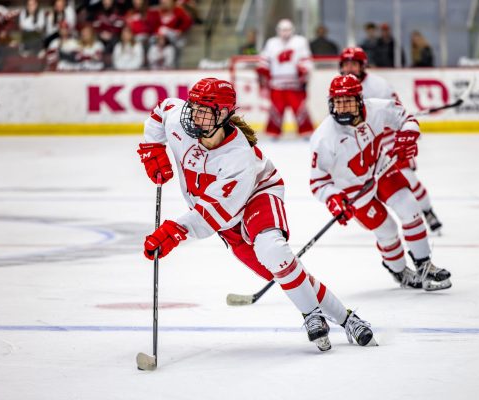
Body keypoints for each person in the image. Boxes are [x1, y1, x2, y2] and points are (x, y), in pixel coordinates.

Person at [137, 77, 376, 351]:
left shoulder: (238, 156)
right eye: (193, 107)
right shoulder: (180, 120)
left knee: (273, 251)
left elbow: (214, 214)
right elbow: (161, 111)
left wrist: (175, 231)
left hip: (257, 195)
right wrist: (152, 148)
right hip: (224, 219)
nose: (194, 115)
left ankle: (311, 315)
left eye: (205, 110)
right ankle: (348, 320)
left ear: (224, 114)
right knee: (286, 271)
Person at [309, 74, 452, 291]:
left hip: (382, 168)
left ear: (359, 100)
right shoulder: (324, 138)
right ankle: (399, 271)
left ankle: (424, 265)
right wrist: (333, 200)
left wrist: (408, 135)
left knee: (410, 208)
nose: (343, 108)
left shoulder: (376, 108)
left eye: (348, 101)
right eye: (338, 102)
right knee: (387, 229)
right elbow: (318, 181)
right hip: (353, 190)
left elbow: (406, 118)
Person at [339, 47, 443, 233]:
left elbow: (397, 113)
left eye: (353, 64)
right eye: (346, 64)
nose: (349, 68)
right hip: (363, 144)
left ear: (362, 66)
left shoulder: (379, 85)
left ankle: (428, 211)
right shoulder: (339, 88)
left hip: (387, 138)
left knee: (409, 179)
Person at [256, 19, 314, 138]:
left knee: (300, 109)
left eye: (287, 30)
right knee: (276, 110)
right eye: (282, 30)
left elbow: (306, 59)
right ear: (278, 31)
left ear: (292, 30)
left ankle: (306, 132)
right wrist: (262, 71)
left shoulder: (300, 41)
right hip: (277, 84)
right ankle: (273, 133)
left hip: (295, 84)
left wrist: (304, 73)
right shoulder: (271, 42)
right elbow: (264, 60)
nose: (285, 32)